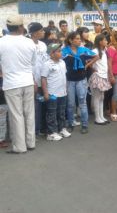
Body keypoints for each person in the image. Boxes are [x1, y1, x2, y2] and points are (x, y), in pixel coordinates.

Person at [0, 15, 36, 154]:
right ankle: (30, 142)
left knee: (17, 115)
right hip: (27, 81)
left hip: (11, 83)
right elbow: (33, 63)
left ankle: (20, 146)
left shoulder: (2, 42)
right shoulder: (29, 42)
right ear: (21, 27)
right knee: (29, 113)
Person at [62, 32, 98, 134]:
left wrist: (87, 65)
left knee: (82, 103)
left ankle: (85, 125)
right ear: (70, 40)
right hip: (69, 81)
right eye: (77, 39)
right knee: (70, 104)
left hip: (81, 80)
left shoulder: (83, 50)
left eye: (79, 39)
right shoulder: (64, 51)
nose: (79, 40)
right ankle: (70, 123)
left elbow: (96, 56)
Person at [41, 43, 71, 141]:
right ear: (52, 54)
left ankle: (62, 129)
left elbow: (65, 76)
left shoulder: (62, 62)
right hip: (52, 93)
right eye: (58, 51)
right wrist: (45, 93)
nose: (61, 53)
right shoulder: (47, 64)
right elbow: (43, 79)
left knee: (61, 112)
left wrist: (66, 87)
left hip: (62, 92)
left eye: (60, 50)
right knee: (52, 113)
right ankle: (51, 133)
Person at [29, 22, 48, 136]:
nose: (43, 32)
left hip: (43, 79)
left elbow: (45, 61)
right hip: (32, 81)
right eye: (41, 30)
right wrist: (33, 80)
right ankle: (34, 131)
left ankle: (42, 128)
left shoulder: (43, 45)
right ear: (35, 33)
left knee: (43, 104)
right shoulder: (28, 44)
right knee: (34, 106)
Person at [89, 34, 112, 125]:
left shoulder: (104, 50)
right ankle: (97, 118)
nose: (107, 42)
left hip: (104, 75)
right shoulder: (94, 51)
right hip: (98, 76)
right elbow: (89, 62)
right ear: (100, 42)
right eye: (105, 40)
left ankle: (101, 116)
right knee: (97, 97)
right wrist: (93, 69)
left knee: (102, 97)